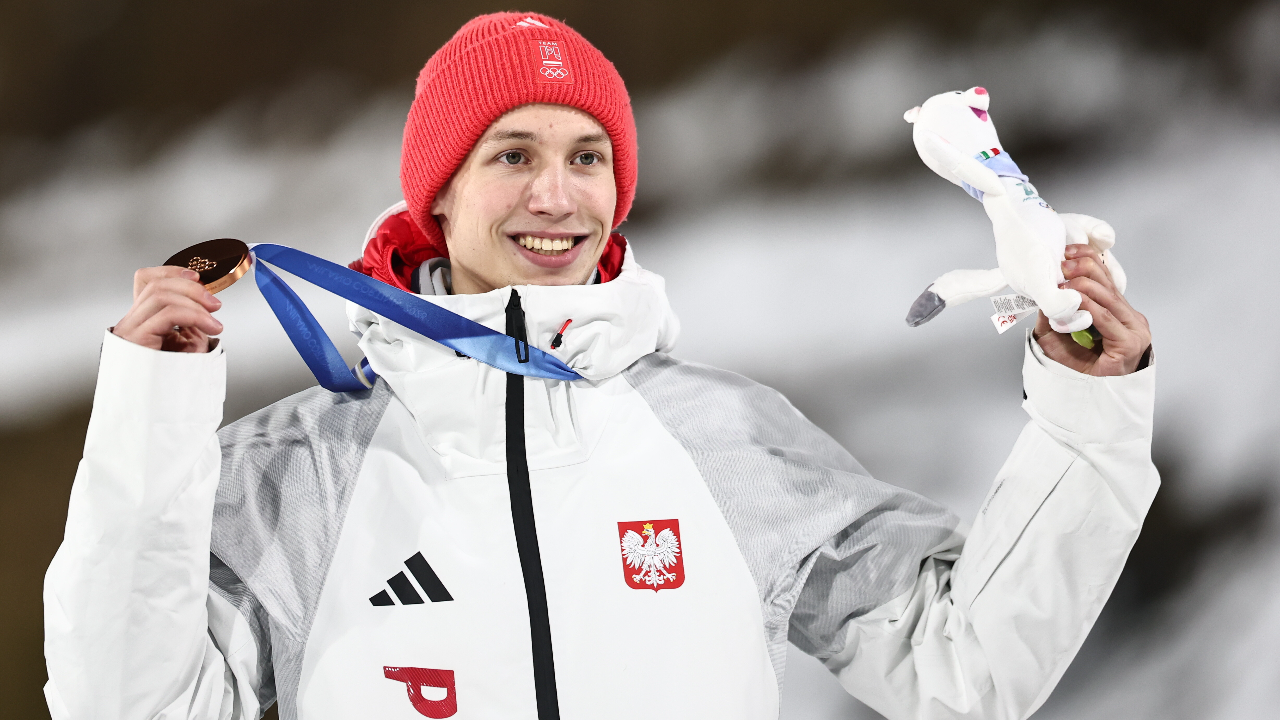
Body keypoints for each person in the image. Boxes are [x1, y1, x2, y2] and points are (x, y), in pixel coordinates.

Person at [43, 12, 1156, 720]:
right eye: (511, 155)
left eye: (585, 158)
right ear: (438, 194)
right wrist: (151, 415)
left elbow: (961, 669)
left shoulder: (725, 436)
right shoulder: (302, 471)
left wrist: (1087, 417)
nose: (554, 195)